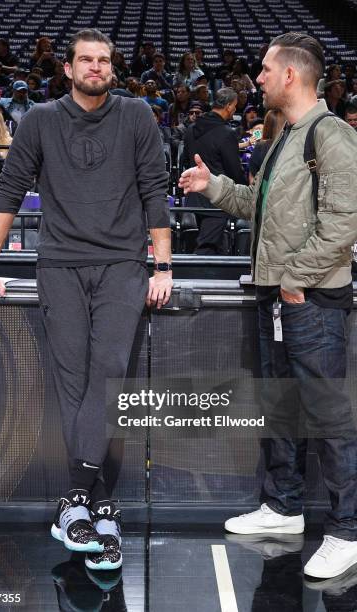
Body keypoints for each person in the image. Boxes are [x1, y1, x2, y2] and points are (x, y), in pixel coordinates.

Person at [0, 27, 172, 572]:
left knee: (106, 377)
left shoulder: (136, 117)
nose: (97, 68)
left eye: (105, 60)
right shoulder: (39, 120)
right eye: (86, 60)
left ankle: (73, 500)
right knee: (74, 385)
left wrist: (164, 264)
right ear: (68, 68)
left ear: (113, 68)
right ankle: (103, 508)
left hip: (121, 267)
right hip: (59, 265)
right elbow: (8, 193)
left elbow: (156, 189)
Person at [180, 32, 357, 580]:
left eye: (263, 69)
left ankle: (348, 530)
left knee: (327, 416)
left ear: (291, 75)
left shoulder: (331, 136)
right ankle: (283, 508)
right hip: (280, 297)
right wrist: (214, 187)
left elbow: (343, 222)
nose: (255, 78)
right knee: (279, 405)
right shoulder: (285, 138)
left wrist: (294, 281)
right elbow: (258, 209)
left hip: (309, 301)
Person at [183, 87, 246, 255]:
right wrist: (246, 191)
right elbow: (234, 170)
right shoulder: (227, 133)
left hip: (195, 197)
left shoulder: (190, 129)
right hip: (217, 197)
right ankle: (199, 278)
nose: (234, 110)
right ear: (228, 106)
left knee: (212, 243)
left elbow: (184, 160)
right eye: (234, 106)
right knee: (207, 246)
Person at [248, 109, 285, 183]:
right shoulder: (289, 143)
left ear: (267, 125)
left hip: (264, 190)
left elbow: (252, 177)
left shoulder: (261, 146)